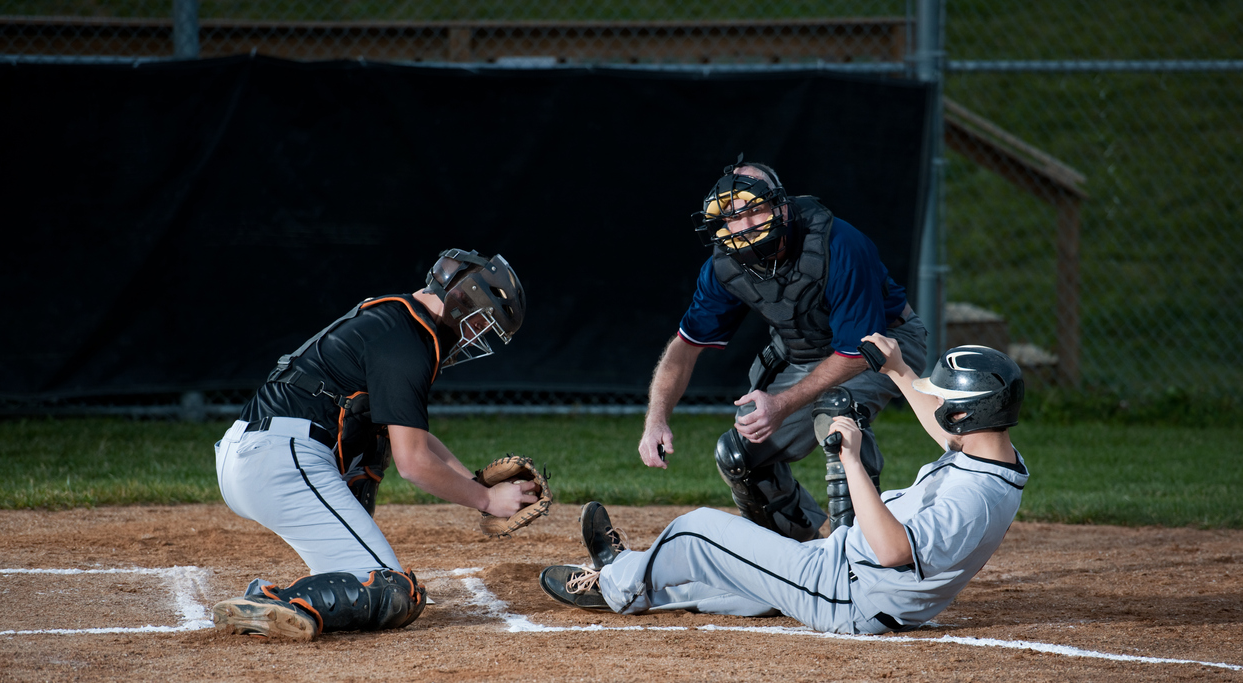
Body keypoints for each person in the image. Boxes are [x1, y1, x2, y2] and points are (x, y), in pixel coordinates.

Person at [542, 338, 1028, 635]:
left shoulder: (975, 497)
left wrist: (852, 461)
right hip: (846, 572)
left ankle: (616, 581)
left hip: (851, 594)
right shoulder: (993, 453)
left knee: (697, 531)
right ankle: (637, 582)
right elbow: (947, 433)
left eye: (944, 397)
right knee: (720, 581)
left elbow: (893, 551)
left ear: (968, 413)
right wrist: (899, 370)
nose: (936, 401)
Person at [211, 249, 536, 642]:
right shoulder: (407, 344)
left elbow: (413, 435)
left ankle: (333, 569)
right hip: (281, 463)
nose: (476, 335)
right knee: (394, 591)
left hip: (262, 456)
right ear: (460, 301)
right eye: (482, 320)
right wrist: (486, 501)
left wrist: (474, 481)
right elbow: (413, 462)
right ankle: (281, 601)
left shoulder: (398, 321)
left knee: (375, 450)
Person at [638, 156, 929, 541]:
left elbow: (856, 352)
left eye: (754, 211)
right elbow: (684, 348)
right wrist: (655, 419)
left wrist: (782, 404)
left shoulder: (838, 245)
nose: (742, 227)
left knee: (837, 419)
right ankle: (794, 554)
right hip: (806, 351)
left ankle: (859, 552)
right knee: (738, 455)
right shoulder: (723, 267)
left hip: (886, 344)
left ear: (782, 206)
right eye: (730, 218)